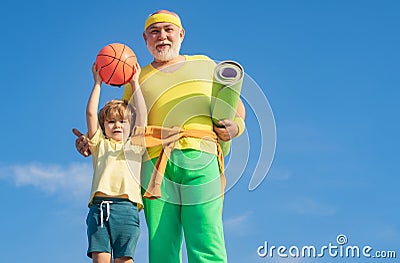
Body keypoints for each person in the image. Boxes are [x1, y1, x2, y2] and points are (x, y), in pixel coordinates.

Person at [75, 10, 245, 263]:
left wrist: (235, 128)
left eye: (168, 30)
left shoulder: (205, 64)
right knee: (162, 243)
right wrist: (92, 143)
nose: (162, 36)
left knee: (206, 233)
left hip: (202, 156)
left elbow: (237, 109)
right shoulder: (135, 78)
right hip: (154, 165)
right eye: (155, 32)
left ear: (181, 34)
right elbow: (121, 126)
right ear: (145, 38)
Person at [84, 62, 147, 263]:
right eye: (111, 122)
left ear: (130, 125)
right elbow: (91, 114)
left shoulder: (135, 145)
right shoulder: (99, 145)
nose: (117, 125)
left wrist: (135, 83)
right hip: (99, 208)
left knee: (124, 260)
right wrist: (97, 84)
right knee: (100, 259)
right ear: (104, 127)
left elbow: (143, 115)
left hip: (126, 209)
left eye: (122, 121)